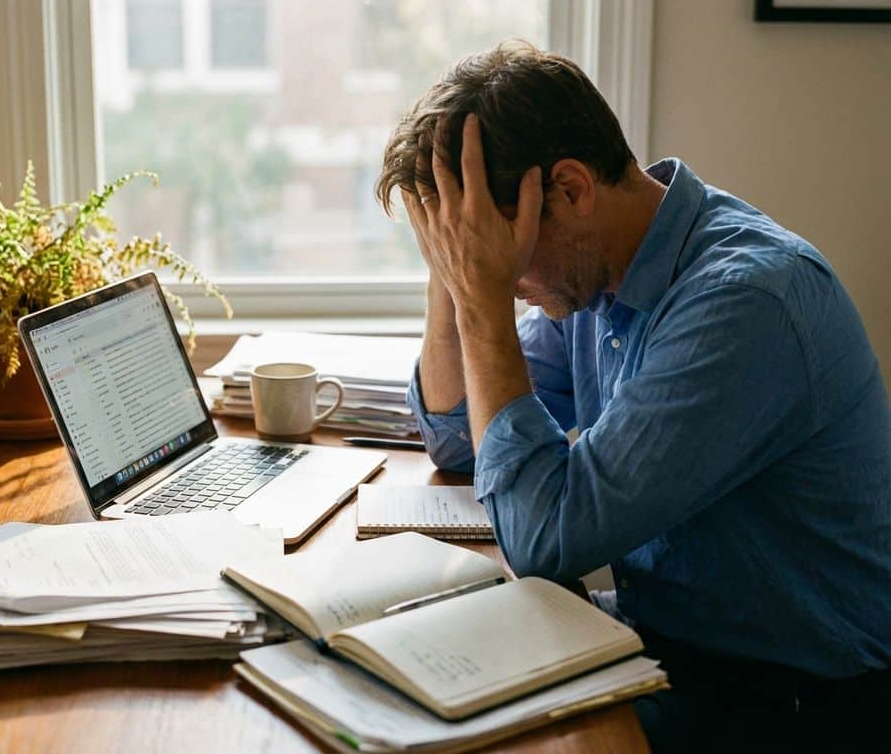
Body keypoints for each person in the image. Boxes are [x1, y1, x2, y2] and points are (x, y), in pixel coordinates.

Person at [375, 41, 890, 753]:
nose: (498, 272)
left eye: (496, 244)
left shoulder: (745, 304)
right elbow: (460, 434)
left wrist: (483, 302)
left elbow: (543, 541)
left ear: (572, 190)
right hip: (677, 644)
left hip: (796, 704)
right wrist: (454, 277)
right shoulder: (598, 275)